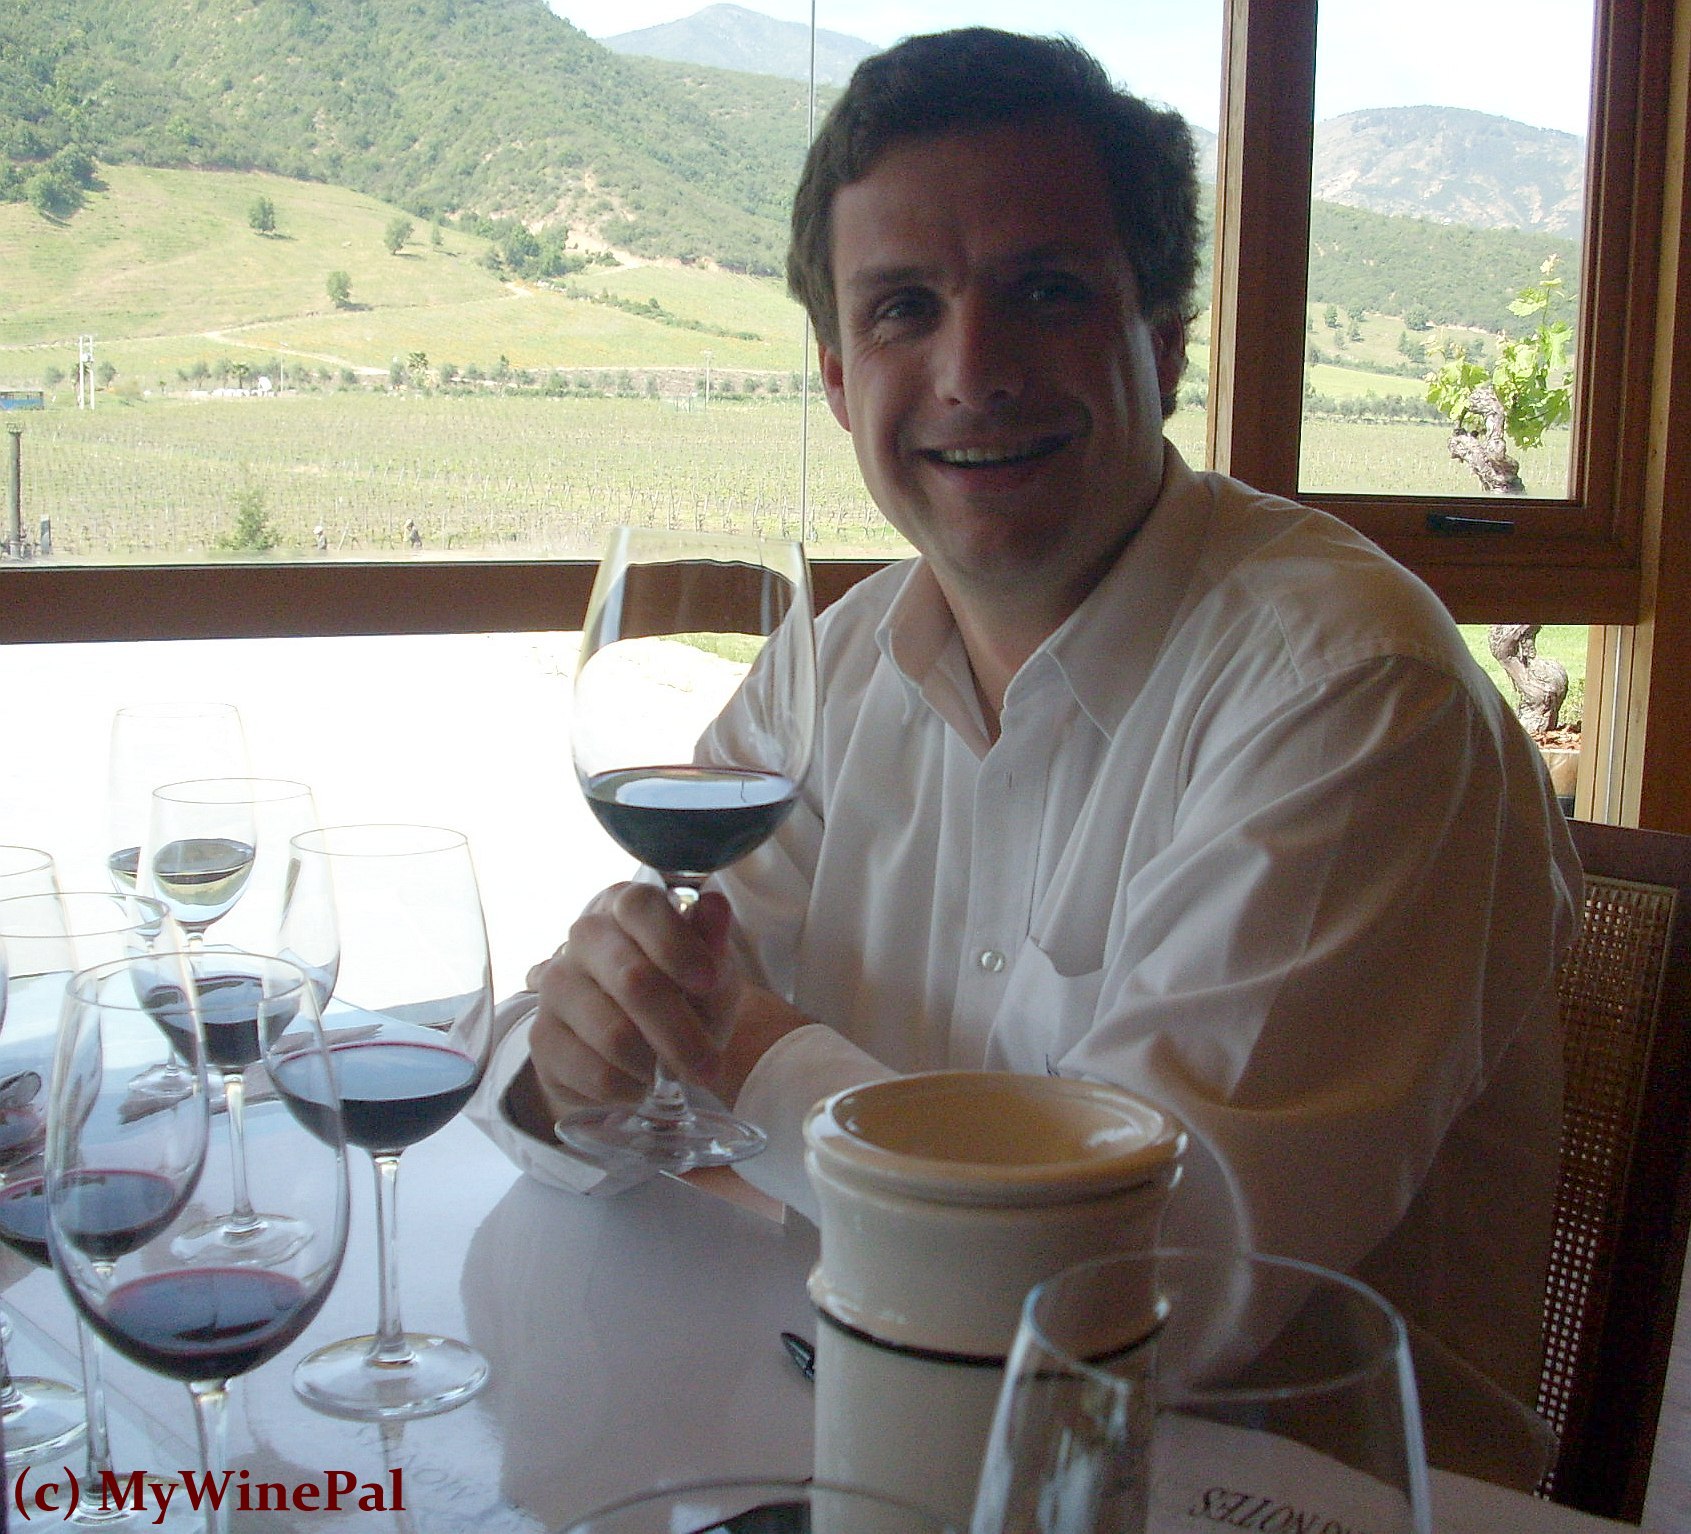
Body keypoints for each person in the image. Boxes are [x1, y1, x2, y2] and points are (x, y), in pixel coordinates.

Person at [467, 28, 1581, 1488]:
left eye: (1047, 291)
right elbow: (577, 1042)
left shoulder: (1351, 692)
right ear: (837, 375)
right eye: (903, 310)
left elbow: (1147, 1282)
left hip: (1265, 1494)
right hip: (862, 1445)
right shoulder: (837, 667)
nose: (971, 370)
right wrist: (578, 1063)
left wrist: (738, 1052)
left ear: (1163, 342)